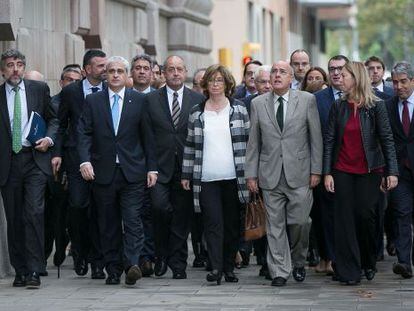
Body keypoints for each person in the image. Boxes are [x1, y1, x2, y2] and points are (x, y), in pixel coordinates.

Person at [77, 56, 157, 285]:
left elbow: (147, 138)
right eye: (111, 71)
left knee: (133, 220)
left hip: (133, 172)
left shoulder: (139, 101)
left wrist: (152, 168)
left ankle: (131, 264)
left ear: (126, 75)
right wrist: (84, 161)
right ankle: (113, 269)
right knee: (108, 223)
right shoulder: (93, 101)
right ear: (105, 75)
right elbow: (83, 133)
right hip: (102, 172)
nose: (114, 75)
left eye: (120, 71)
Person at [245, 60, 323, 287]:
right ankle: (279, 270)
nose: (277, 75)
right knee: (275, 226)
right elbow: (254, 143)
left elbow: (315, 138)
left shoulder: (307, 100)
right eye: (274, 72)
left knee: (300, 222)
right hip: (269, 174)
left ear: (292, 78)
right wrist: (251, 175)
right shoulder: (258, 104)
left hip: (300, 173)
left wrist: (316, 170)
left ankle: (298, 260)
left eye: (282, 72)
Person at [323, 61, 398, 285]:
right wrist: (327, 172)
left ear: (355, 78)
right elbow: (329, 141)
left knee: (366, 217)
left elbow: (386, 139)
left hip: (369, 171)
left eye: (344, 75)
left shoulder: (376, 106)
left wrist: (391, 171)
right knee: (344, 221)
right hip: (342, 170)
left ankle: (367, 260)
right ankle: (349, 270)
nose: (339, 78)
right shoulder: (338, 106)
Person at [181, 64, 250, 285]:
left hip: (234, 177)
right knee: (213, 223)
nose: (216, 84)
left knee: (232, 225)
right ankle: (216, 268)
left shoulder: (239, 109)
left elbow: (249, 144)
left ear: (227, 84)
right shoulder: (197, 112)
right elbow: (190, 146)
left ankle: (229, 267)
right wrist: (186, 174)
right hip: (206, 178)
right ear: (206, 84)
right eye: (212, 80)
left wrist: (252, 174)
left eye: (220, 80)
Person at [0, 49, 58, 288]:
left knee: (33, 213)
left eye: (20, 64)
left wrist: (49, 139)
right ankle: (20, 270)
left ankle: (35, 270)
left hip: (34, 159)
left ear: (24, 68)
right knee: (14, 219)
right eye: (10, 65)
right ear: (2, 70)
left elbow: (53, 119)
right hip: (8, 164)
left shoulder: (38, 89)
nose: (16, 69)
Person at [144, 55, 205, 279]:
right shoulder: (150, 100)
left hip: (186, 169)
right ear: (163, 72)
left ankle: (178, 263)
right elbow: (147, 137)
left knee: (182, 215)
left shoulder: (197, 99)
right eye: (171, 69)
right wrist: (149, 167)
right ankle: (161, 256)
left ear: (185, 71)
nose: (176, 73)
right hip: (158, 168)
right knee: (160, 210)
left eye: (180, 69)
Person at [52, 49, 107, 279]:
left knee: (100, 210)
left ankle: (97, 261)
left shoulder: (109, 90)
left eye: (106, 65)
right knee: (78, 207)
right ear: (87, 70)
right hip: (76, 160)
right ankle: (80, 251)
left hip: (103, 159)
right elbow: (61, 123)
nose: (105, 70)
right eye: (100, 66)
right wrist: (58, 153)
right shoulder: (72, 92)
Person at [386, 62, 414, 279]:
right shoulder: (387, 106)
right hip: (398, 172)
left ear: (412, 81)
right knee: (401, 214)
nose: (398, 86)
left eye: (403, 81)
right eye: (395, 82)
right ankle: (404, 262)